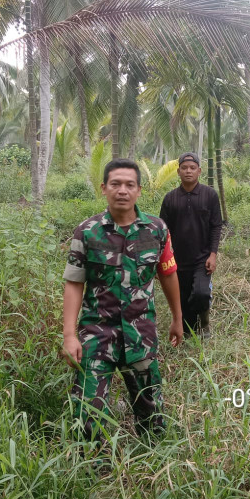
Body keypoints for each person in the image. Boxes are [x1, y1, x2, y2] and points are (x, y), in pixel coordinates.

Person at [61, 158, 183, 442]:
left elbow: (168, 274)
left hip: (141, 333)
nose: (122, 190)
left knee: (150, 409)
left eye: (129, 184)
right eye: (115, 184)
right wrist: (69, 335)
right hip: (96, 332)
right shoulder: (87, 231)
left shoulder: (157, 230)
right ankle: (93, 467)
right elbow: (74, 283)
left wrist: (177, 318)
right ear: (104, 188)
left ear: (139, 190)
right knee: (87, 410)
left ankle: (153, 462)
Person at [159, 152, 223, 339]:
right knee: (183, 298)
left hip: (202, 258)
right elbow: (163, 230)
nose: (188, 171)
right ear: (178, 171)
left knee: (201, 294)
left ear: (199, 171)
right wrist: (162, 259)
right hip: (177, 260)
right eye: (184, 168)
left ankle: (204, 325)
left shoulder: (210, 195)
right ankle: (187, 329)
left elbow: (216, 225)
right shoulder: (170, 199)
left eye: (192, 168)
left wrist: (213, 254)